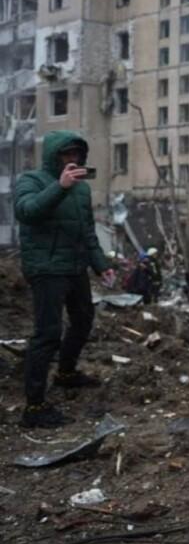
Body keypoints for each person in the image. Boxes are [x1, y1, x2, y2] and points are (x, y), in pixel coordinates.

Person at [14, 131, 115, 428]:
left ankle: (66, 373)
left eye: (76, 155)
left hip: (74, 266)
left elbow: (87, 232)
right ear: (53, 156)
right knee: (47, 333)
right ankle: (34, 406)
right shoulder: (31, 181)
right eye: (65, 154)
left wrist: (101, 265)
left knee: (84, 319)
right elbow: (27, 212)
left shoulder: (81, 190)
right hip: (45, 267)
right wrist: (59, 187)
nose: (72, 160)